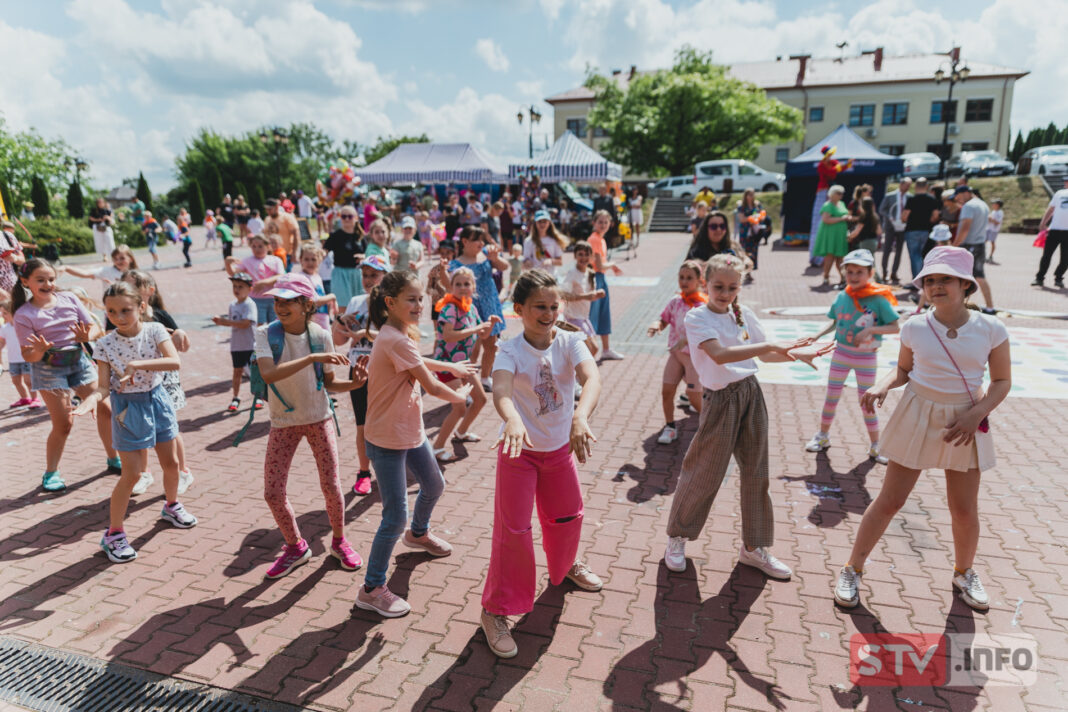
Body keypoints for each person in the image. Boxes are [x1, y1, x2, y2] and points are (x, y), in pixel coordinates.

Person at [833, 246, 1011, 611]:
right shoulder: (915, 326)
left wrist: (975, 414)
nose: (936, 286)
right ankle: (853, 568)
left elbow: (1002, 381)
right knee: (890, 501)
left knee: (963, 509)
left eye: (945, 278)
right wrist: (883, 385)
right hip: (918, 414)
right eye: (929, 280)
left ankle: (964, 572)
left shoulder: (991, 328)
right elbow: (902, 370)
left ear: (966, 284)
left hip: (965, 420)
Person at [663, 254, 832, 577]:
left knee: (757, 473)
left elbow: (765, 355)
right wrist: (771, 345)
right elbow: (721, 354)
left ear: (740, 286)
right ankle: (678, 536)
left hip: (750, 393)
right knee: (705, 472)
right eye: (718, 286)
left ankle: (754, 548)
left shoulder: (743, 314)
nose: (725, 293)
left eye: (732, 287)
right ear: (705, 284)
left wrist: (798, 355)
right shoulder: (697, 318)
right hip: (720, 399)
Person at [480, 269, 604, 659]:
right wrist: (512, 418)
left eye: (553, 306)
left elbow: (592, 377)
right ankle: (495, 612)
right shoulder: (510, 350)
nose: (548, 313)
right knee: (514, 531)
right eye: (539, 307)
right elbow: (500, 390)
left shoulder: (570, 341)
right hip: (519, 453)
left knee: (569, 516)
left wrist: (580, 416)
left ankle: (565, 565)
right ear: (519, 309)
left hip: (558, 451)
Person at [356, 270, 474, 617]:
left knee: (434, 484)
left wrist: (452, 366)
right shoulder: (395, 338)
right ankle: (371, 588)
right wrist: (459, 395)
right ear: (390, 303)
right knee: (394, 516)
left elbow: (419, 362)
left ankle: (418, 534)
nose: (419, 304)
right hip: (387, 438)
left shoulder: (398, 335)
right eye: (411, 299)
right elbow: (434, 387)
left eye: (421, 298)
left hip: (410, 431)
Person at [252, 273, 367, 579]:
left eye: (289, 301)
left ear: (306, 305)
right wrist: (312, 357)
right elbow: (269, 375)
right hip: (283, 421)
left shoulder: (320, 334)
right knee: (272, 492)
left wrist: (353, 385)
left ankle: (340, 542)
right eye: (277, 300)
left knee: (331, 486)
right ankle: (295, 546)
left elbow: (328, 382)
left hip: (319, 418)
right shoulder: (266, 334)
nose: (281, 306)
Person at [72, 282, 194, 563]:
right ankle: (114, 534)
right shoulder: (103, 345)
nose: (119, 316)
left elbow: (173, 361)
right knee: (133, 474)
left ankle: (172, 506)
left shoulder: (155, 330)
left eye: (126, 310)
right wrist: (90, 400)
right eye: (112, 311)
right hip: (128, 408)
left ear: (141, 307)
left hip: (158, 399)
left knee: (172, 464)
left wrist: (137, 366)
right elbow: (103, 387)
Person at [13, 259, 117, 491]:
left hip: (78, 361)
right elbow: (28, 356)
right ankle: (51, 472)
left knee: (106, 409)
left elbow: (94, 328)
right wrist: (38, 351)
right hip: (47, 368)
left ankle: (113, 458)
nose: (48, 284)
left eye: (51, 279)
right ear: (25, 282)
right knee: (64, 424)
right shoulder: (24, 314)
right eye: (40, 280)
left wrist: (85, 336)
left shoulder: (69, 298)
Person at [804, 249, 900, 463]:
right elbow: (835, 322)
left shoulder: (878, 299)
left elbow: (895, 327)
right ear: (844, 273)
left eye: (860, 272)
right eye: (850, 272)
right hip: (841, 354)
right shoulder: (842, 296)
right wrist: (817, 335)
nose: (854, 276)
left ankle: (877, 445)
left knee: (866, 402)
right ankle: (823, 436)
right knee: (831, 398)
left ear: (870, 273)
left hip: (866, 358)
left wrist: (870, 330)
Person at [120, 270, 194, 496]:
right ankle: (144, 473)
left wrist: (180, 333)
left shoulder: (159, 316)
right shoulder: (122, 317)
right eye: (125, 287)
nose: (128, 293)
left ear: (149, 291)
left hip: (164, 381)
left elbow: (181, 346)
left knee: (169, 429)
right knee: (139, 427)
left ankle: (182, 471)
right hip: (138, 382)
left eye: (133, 288)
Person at [332, 255, 389, 496]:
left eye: (373, 275)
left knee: (386, 423)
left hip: (385, 370)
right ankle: (364, 472)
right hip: (359, 369)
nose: (368, 280)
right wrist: (340, 322)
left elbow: (392, 337)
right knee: (362, 425)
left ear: (385, 276)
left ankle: (388, 471)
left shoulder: (390, 302)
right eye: (365, 275)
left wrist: (363, 333)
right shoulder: (355, 301)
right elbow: (338, 341)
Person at [430, 267, 501, 461]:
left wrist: (490, 324)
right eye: (458, 284)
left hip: (463, 364)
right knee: (459, 408)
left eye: (466, 284)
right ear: (451, 287)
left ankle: (460, 433)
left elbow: (482, 334)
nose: (462, 288)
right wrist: (476, 328)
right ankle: (436, 447)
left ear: (473, 287)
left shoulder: (471, 307)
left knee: (480, 400)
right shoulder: (450, 308)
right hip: (446, 364)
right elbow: (448, 335)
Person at [647, 260, 706, 444]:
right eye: (681, 277)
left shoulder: (703, 306)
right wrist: (657, 325)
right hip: (676, 356)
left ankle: (709, 426)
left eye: (689, 278)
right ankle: (670, 426)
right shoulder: (675, 301)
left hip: (694, 358)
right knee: (667, 391)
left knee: (694, 396)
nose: (684, 281)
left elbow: (707, 332)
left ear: (699, 281)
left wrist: (687, 339)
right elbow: (664, 319)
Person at [450, 226, 510, 389]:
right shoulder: (455, 264)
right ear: (465, 241)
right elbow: (449, 286)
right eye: (477, 239)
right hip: (469, 309)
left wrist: (495, 258)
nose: (481, 242)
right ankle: (468, 379)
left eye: (482, 239)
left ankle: (485, 378)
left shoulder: (485, 254)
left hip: (490, 305)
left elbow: (504, 267)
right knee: (472, 347)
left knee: (491, 344)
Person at [212, 272, 258, 413]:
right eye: (235, 286)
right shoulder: (232, 305)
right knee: (237, 371)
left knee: (255, 373)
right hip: (237, 345)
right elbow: (234, 324)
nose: (237, 289)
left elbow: (245, 324)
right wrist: (221, 322)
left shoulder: (250, 304)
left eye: (241, 286)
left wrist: (226, 321)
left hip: (250, 344)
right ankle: (236, 397)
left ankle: (259, 396)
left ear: (250, 289)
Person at [950, 186, 995, 312]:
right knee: (979, 276)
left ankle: (957, 306)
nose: (958, 200)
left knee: (958, 277)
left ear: (965, 193)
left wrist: (954, 246)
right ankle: (990, 306)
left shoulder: (969, 206)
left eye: (958, 197)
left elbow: (965, 228)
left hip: (968, 245)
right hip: (980, 244)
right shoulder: (983, 204)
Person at [587, 210, 624, 361]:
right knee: (593, 315)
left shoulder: (601, 239)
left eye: (605, 222)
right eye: (600, 222)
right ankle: (589, 352)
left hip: (601, 277)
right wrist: (613, 264)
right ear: (594, 223)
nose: (603, 225)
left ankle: (606, 349)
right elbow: (599, 265)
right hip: (595, 278)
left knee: (603, 313)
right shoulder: (594, 239)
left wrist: (609, 266)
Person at [226, 235, 286, 325]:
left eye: (260, 246)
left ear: (268, 246)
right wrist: (227, 263)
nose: (257, 249)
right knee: (258, 326)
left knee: (275, 325)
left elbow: (280, 275)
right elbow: (234, 273)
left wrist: (264, 282)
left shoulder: (275, 260)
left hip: (274, 299)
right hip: (255, 299)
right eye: (254, 246)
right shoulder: (247, 261)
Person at [810, 146, 853, 266]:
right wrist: (841, 166)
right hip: (823, 190)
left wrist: (847, 164)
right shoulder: (821, 165)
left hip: (834, 229)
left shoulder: (832, 163)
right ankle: (816, 258)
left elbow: (839, 168)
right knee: (817, 224)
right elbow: (832, 171)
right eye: (828, 154)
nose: (830, 157)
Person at [0, 300, 41, 408]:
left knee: (28, 381)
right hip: (13, 359)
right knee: (16, 381)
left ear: (13, 312)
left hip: (26, 358)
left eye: (5, 313)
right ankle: (24, 398)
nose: (2, 315)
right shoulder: (4, 328)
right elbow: (2, 342)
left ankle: (35, 399)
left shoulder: (23, 325)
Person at [323, 205, 366, 308]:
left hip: (357, 274)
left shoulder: (360, 236)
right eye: (343, 216)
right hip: (340, 275)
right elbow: (324, 251)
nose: (347, 219)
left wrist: (363, 257)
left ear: (356, 218)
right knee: (343, 308)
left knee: (359, 307)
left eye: (350, 216)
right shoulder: (335, 236)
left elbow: (367, 254)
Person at [900, 177, 940, 282]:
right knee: (925, 256)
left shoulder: (911, 199)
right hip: (927, 230)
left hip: (912, 230)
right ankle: (924, 279)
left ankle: (917, 280)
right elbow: (936, 216)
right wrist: (929, 221)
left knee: (914, 256)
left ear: (916, 186)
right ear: (926, 186)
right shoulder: (932, 199)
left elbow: (904, 217)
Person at [1034, 175, 1068, 288]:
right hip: (1054, 230)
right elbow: (1051, 209)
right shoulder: (1059, 193)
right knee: (1046, 255)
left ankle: (1058, 278)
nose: (1066, 183)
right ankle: (1039, 278)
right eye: (1065, 181)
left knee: (1065, 258)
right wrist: (1043, 223)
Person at [813, 185, 850, 287]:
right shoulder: (827, 205)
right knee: (830, 257)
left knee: (841, 258)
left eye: (842, 193)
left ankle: (843, 278)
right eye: (838, 193)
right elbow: (826, 219)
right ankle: (826, 276)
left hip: (840, 235)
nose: (841, 195)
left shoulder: (841, 204)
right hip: (830, 235)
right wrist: (841, 219)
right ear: (832, 194)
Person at [62, 245, 138, 291]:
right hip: (112, 313)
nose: (118, 261)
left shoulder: (137, 275)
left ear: (131, 258)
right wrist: (66, 268)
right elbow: (85, 273)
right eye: (115, 259)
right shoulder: (106, 271)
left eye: (122, 258)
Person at [878, 178, 911, 284]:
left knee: (899, 251)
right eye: (906, 185)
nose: (908, 188)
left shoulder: (910, 197)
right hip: (890, 227)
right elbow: (882, 209)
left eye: (909, 186)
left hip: (903, 228)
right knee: (887, 250)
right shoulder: (890, 196)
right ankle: (884, 273)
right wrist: (890, 217)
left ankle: (894, 273)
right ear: (901, 185)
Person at [735, 189, 770, 282]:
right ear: (745, 196)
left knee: (753, 251)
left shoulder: (757, 205)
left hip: (755, 232)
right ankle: (745, 272)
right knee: (745, 251)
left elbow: (762, 215)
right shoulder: (741, 207)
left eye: (752, 195)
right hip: (745, 232)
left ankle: (750, 270)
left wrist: (759, 218)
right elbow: (741, 219)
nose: (751, 197)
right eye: (749, 195)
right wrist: (751, 218)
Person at [265, 199, 300, 268]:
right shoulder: (267, 219)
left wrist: (294, 252)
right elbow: (266, 236)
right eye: (267, 209)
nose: (268, 211)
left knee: (285, 276)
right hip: (271, 254)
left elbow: (296, 235)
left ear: (276, 207)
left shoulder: (287, 217)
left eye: (270, 209)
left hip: (285, 254)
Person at [426, 240, 456, 321]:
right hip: (437, 304)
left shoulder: (457, 269)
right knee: (437, 331)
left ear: (453, 253)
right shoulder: (435, 270)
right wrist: (434, 292)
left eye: (448, 253)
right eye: (442, 253)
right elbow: (428, 289)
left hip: (453, 304)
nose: (445, 256)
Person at [88, 197, 116, 261]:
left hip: (106, 227)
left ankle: (113, 255)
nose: (100, 204)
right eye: (99, 202)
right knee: (100, 242)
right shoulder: (94, 210)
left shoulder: (107, 210)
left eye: (102, 202)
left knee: (110, 241)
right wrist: (99, 219)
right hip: (98, 227)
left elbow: (111, 217)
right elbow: (91, 218)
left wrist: (107, 217)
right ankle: (104, 256)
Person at [985, 199, 1003, 264]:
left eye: (994, 204)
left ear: (998, 205)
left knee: (992, 242)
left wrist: (991, 219)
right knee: (984, 241)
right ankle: (983, 255)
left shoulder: (1000, 212)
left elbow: (997, 222)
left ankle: (990, 256)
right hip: (988, 228)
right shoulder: (993, 211)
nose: (993, 205)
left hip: (994, 230)